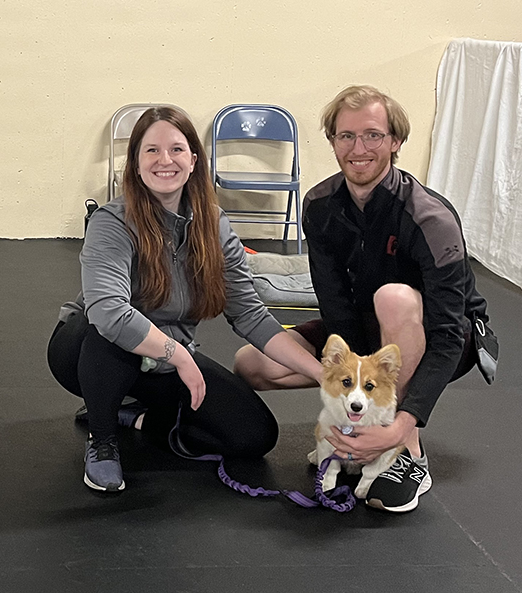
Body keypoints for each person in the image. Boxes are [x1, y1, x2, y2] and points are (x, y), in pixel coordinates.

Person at [234, 85, 490, 513]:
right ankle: (364, 427)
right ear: (333, 141)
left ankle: (405, 451)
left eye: (373, 135)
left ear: (395, 141)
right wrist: (347, 395)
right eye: (346, 136)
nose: (359, 148)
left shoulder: (430, 217)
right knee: (252, 363)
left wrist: (400, 423)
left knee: (392, 298)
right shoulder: (319, 206)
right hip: (362, 335)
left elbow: (448, 333)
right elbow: (335, 308)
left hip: (441, 335)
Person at [47, 106, 323, 493]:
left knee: (253, 436)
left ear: (194, 160)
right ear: (136, 163)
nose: (165, 160)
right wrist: (179, 356)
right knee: (111, 330)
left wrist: (323, 374)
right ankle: (103, 438)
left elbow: (250, 315)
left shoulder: (215, 225)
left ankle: (134, 416)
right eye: (151, 151)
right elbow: (109, 313)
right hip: (86, 352)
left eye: (177, 149)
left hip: (164, 354)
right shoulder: (113, 222)